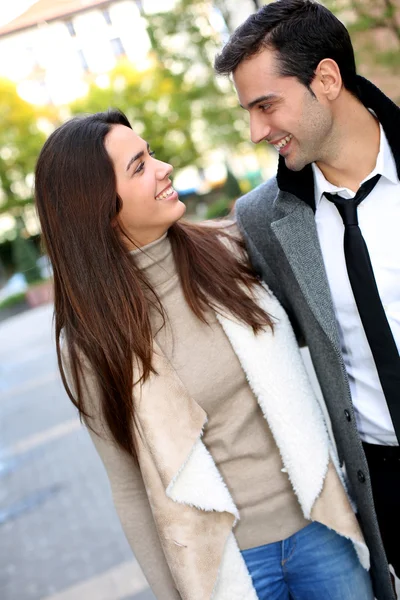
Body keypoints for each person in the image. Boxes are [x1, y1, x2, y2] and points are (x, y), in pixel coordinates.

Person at [34, 109, 374, 600]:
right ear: (99, 206)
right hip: (228, 568)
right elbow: (130, 489)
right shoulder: (91, 343)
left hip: (321, 528)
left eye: (150, 153)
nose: (163, 167)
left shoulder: (232, 250)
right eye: (139, 166)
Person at [214, 1, 399, 598]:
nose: (256, 131)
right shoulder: (263, 219)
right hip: (385, 479)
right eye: (249, 111)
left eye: (266, 105)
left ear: (325, 79)